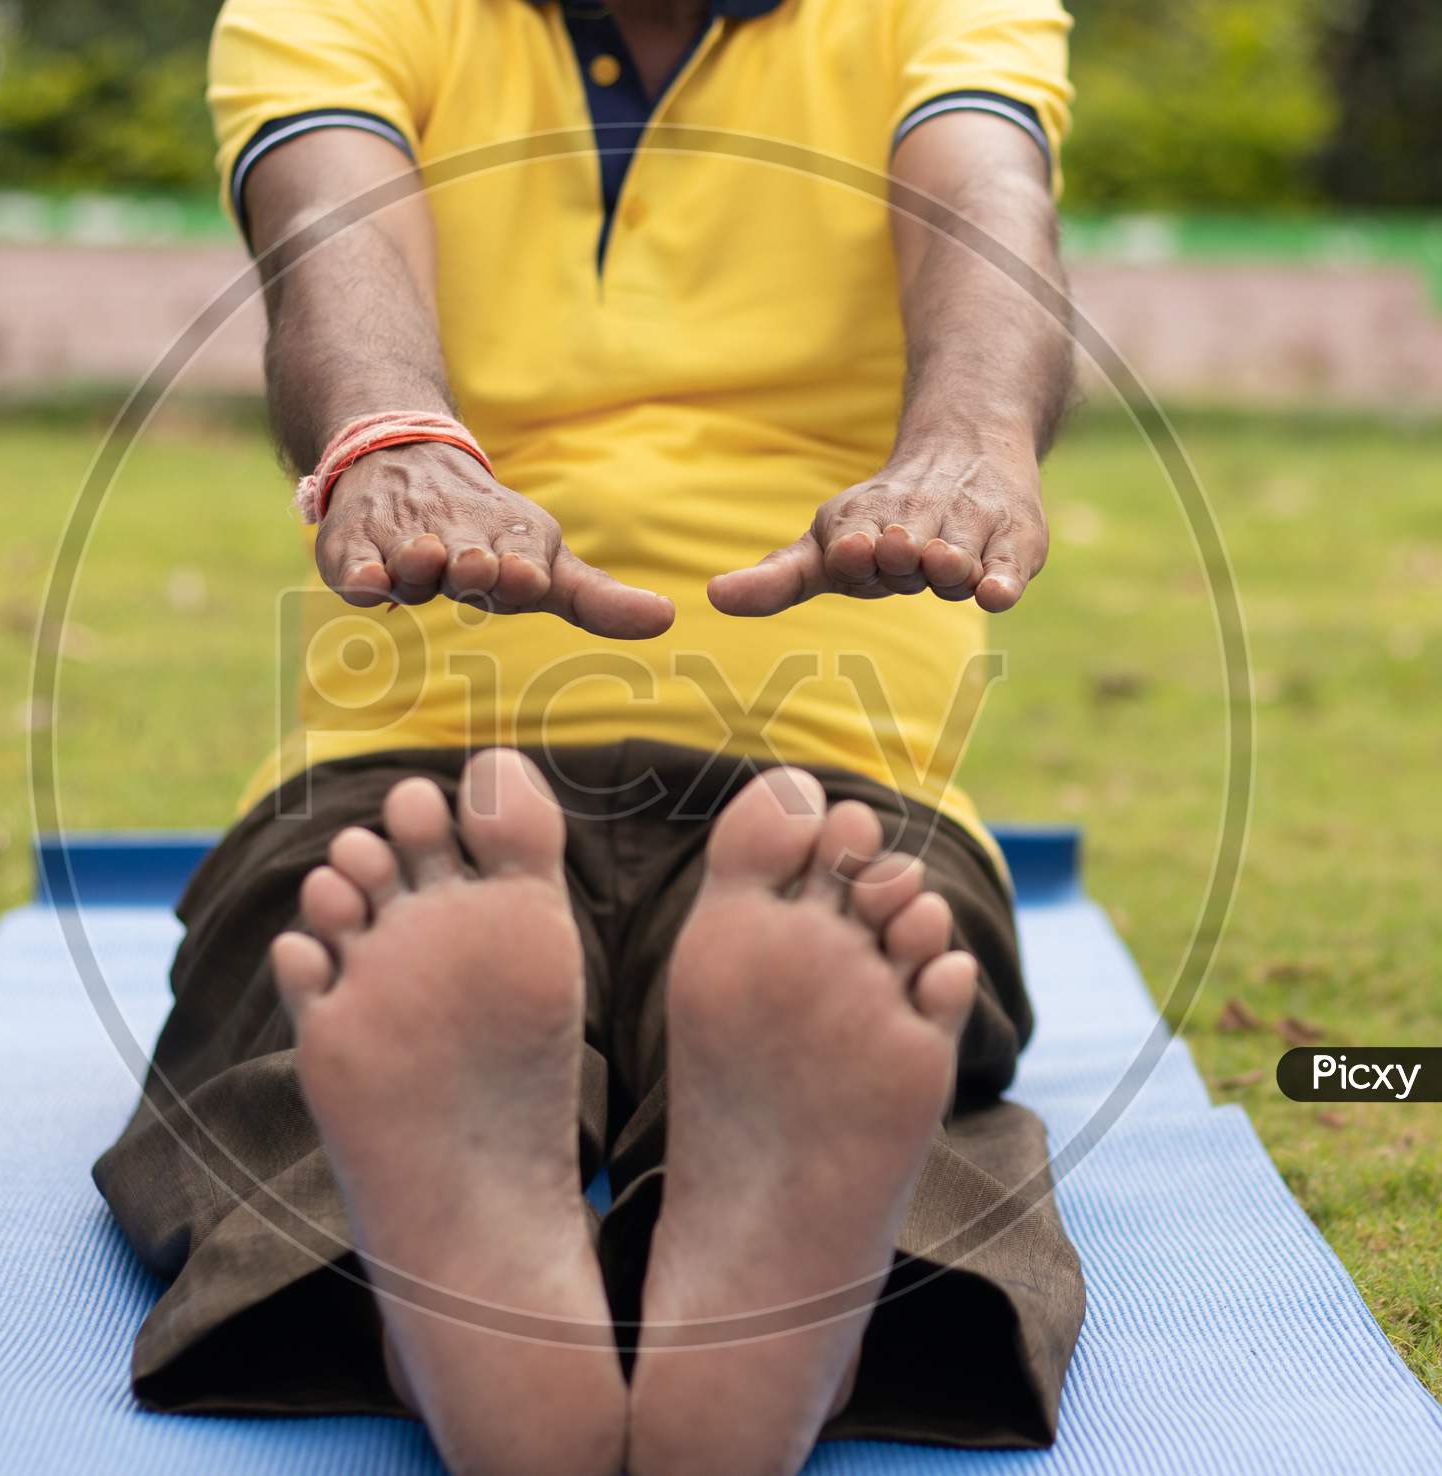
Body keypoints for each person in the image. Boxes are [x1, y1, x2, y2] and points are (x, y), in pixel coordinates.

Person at [93, 1, 1086, 1472]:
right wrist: (392, 436)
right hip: (460, 758)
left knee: (319, 1030)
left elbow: (985, 195)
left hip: (780, 760)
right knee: (869, 1009)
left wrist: (974, 441)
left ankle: (441, 1302)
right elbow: (331, 233)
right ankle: (766, 1308)